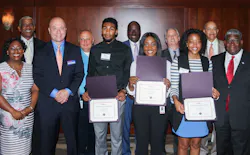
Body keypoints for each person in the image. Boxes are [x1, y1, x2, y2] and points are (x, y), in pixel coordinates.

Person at [32, 17, 84, 155]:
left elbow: (79, 74)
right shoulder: (40, 51)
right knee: (46, 143)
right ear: (49, 30)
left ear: (66, 30)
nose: (58, 31)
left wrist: (67, 91)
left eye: (61, 28)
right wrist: (55, 93)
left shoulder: (74, 50)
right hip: (48, 104)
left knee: (73, 143)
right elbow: (37, 76)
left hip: (69, 103)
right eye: (54, 28)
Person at [82, 17, 132, 155]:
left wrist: (123, 90)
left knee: (117, 137)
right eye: (105, 28)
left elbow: (127, 72)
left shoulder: (124, 49)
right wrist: (87, 90)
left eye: (111, 28)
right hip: (98, 97)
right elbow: (90, 72)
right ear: (101, 30)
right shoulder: (95, 49)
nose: (107, 31)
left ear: (116, 31)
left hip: (117, 97)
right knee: (100, 137)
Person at [170, 29, 220, 155]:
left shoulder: (206, 62)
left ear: (202, 44)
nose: (195, 45)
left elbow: (208, 85)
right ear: (186, 43)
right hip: (183, 109)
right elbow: (174, 86)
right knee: (183, 144)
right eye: (191, 42)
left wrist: (213, 92)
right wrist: (175, 101)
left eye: (198, 42)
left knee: (196, 144)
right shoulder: (178, 61)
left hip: (200, 110)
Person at [126, 32, 170, 155]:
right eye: (146, 44)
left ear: (158, 46)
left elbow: (168, 93)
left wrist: (167, 86)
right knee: (141, 142)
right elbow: (131, 93)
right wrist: (130, 85)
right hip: (140, 108)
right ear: (142, 47)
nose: (149, 48)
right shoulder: (135, 64)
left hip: (159, 108)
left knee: (158, 142)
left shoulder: (166, 64)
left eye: (153, 44)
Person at [211, 29, 250, 155]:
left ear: (241, 42)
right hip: (221, 117)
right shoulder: (215, 61)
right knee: (222, 150)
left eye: (236, 40)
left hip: (243, 116)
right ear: (225, 43)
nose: (232, 43)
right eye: (229, 40)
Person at [0, 38, 39, 155]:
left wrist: (30, 108)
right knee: (10, 149)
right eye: (12, 48)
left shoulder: (30, 68)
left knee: (25, 150)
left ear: (23, 51)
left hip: (27, 117)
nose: (16, 51)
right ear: (7, 51)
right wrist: (13, 111)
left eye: (19, 48)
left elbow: (35, 89)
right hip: (9, 117)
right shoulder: (1, 69)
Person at [200, 21, 225, 155]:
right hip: (202, 89)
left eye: (214, 29)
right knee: (203, 122)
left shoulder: (225, 45)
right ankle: (203, 150)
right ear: (204, 31)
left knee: (219, 124)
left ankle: (216, 151)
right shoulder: (199, 45)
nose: (211, 32)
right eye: (209, 29)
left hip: (220, 90)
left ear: (218, 31)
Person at [122, 21, 141, 155]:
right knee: (125, 127)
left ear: (140, 31)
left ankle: (140, 150)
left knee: (141, 127)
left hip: (144, 95)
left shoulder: (147, 46)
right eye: (131, 30)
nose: (133, 33)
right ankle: (126, 152)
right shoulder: (121, 47)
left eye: (136, 30)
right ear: (127, 32)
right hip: (127, 94)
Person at [161, 28, 181, 155]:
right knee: (160, 132)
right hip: (164, 99)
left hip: (181, 100)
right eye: (169, 36)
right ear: (166, 40)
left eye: (174, 35)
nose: (172, 37)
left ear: (179, 38)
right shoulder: (160, 55)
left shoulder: (187, 54)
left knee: (179, 133)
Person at [78, 30, 95, 155]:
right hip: (79, 100)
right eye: (82, 39)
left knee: (93, 133)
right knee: (80, 133)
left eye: (87, 39)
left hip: (96, 100)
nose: (85, 42)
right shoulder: (73, 55)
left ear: (93, 40)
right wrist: (80, 93)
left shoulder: (98, 54)